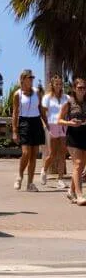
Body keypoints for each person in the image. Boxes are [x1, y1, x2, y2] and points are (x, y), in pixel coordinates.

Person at [12, 69, 46, 191]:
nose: (31, 80)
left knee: (34, 154)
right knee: (26, 152)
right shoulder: (17, 94)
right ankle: (20, 175)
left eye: (32, 78)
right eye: (29, 78)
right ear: (23, 79)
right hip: (24, 122)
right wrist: (15, 131)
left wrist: (47, 123)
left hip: (36, 122)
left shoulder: (37, 92)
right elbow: (15, 114)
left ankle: (30, 183)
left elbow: (41, 110)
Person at [57, 78, 86, 206]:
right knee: (78, 163)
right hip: (73, 135)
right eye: (79, 87)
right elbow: (59, 120)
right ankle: (80, 195)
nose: (82, 90)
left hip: (85, 134)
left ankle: (71, 191)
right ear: (74, 89)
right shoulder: (68, 103)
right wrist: (70, 123)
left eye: (84, 87)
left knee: (80, 167)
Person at [42, 75, 69, 188]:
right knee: (52, 154)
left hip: (63, 125)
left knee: (62, 153)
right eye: (56, 84)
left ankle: (60, 179)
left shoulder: (66, 97)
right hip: (52, 125)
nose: (59, 86)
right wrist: (46, 125)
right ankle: (44, 170)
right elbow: (43, 112)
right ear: (52, 85)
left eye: (60, 84)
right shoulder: (47, 97)